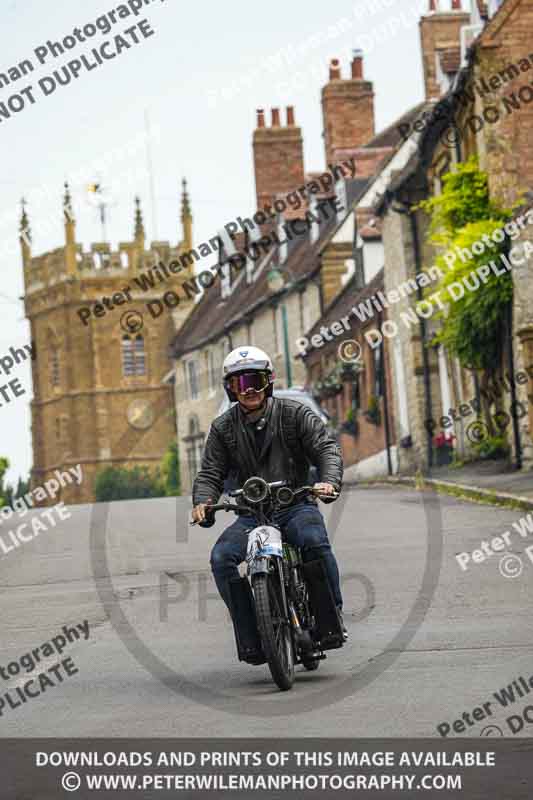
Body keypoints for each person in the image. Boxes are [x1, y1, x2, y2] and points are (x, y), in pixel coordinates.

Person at [191, 346, 346, 656]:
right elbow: (210, 472)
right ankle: (253, 635)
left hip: (296, 505)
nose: (249, 390)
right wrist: (204, 502)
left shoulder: (295, 414)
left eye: (255, 381)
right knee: (222, 559)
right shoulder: (222, 429)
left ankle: (331, 619)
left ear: (269, 382)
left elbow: (326, 449)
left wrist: (328, 481)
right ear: (230, 389)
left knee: (314, 541)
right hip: (251, 514)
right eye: (239, 384)